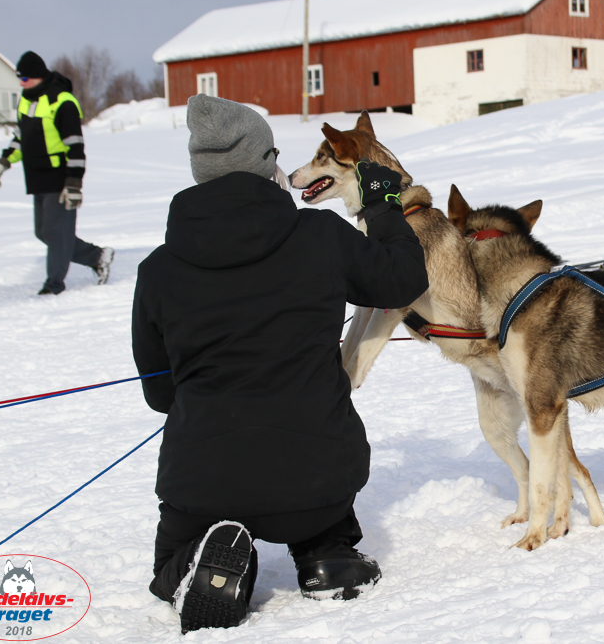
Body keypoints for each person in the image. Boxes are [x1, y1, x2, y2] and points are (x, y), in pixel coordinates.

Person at [132, 94, 429, 633]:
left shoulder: (158, 270)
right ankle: (327, 556)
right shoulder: (319, 235)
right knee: (316, 492)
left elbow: (160, 394)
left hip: (203, 483)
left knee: (173, 555)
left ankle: (202, 570)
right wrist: (383, 206)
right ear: (267, 161)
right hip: (316, 475)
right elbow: (402, 281)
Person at [0, 51, 113, 295]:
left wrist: (74, 183)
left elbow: (75, 144)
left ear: (37, 76)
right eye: (19, 78)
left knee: (57, 234)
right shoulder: (27, 99)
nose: (21, 83)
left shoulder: (62, 100)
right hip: (36, 177)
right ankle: (98, 256)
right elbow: (21, 138)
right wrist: (4, 162)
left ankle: (53, 285)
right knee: (44, 233)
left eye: (24, 78)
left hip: (60, 177)